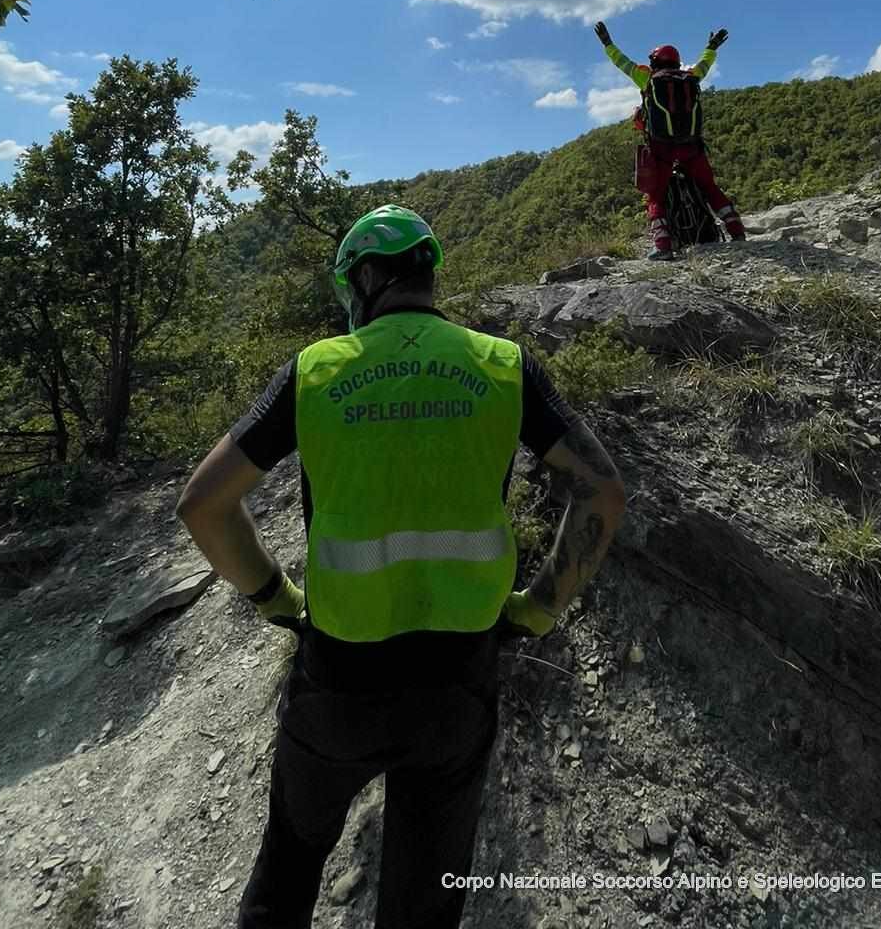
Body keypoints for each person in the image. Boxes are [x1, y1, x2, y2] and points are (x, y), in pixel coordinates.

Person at [175, 204, 626, 929]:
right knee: (424, 900)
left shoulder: (316, 371)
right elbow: (602, 491)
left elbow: (204, 504)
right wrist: (539, 608)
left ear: (370, 278)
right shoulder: (504, 365)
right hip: (459, 681)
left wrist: (273, 597)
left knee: (287, 869)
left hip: (338, 680)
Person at [593, 20, 747, 257]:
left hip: (661, 149)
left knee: (655, 195)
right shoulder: (691, 78)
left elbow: (621, 62)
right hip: (692, 146)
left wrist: (607, 43)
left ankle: (662, 246)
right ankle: (737, 231)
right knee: (709, 187)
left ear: (654, 62)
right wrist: (712, 47)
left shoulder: (647, 78)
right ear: (676, 62)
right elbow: (705, 64)